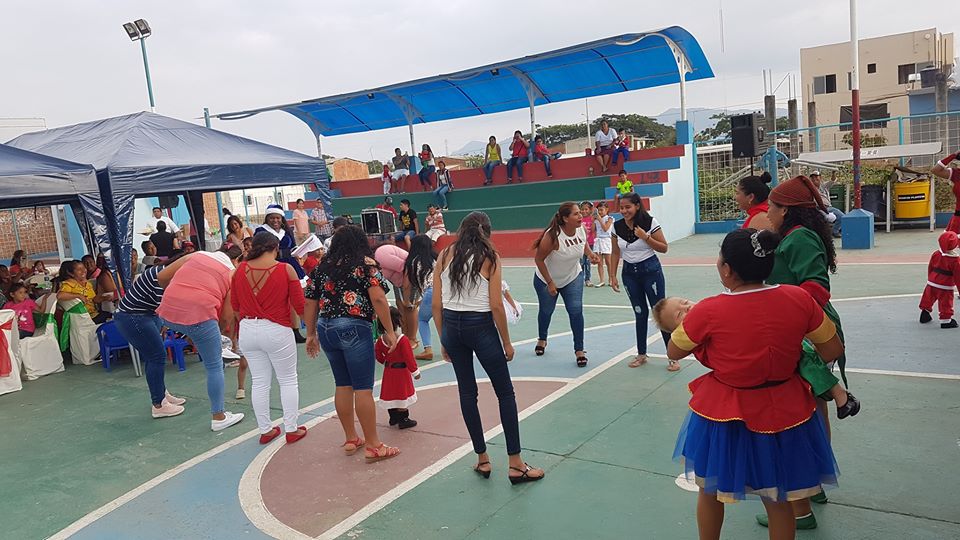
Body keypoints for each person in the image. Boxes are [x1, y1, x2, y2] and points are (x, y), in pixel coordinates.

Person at [666, 228, 842, 540]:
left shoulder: (708, 309)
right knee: (777, 497)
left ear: (727, 270)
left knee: (709, 490)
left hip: (726, 414)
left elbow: (674, 350)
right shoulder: (798, 298)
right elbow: (831, 349)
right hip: (785, 410)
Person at [762, 174, 851, 526]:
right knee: (814, 408)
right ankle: (814, 484)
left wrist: (786, 320)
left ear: (786, 210)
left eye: (772, 207)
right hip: (804, 325)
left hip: (806, 330)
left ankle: (802, 504)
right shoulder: (794, 236)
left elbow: (816, 288)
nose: (768, 212)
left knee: (800, 413)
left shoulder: (799, 238)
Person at [432, 211, 545, 483]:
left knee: (467, 392)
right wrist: (506, 341)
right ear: (488, 232)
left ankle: (482, 458)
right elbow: (496, 305)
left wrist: (444, 338)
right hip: (480, 326)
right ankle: (515, 463)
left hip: (452, 325)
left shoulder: (445, 255)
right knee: (505, 392)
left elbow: (436, 303)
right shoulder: (489, 256)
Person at [305, 225, 401, 462]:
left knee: (343, 383)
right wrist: (389, 331)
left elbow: (310, 301)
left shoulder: (323, 266)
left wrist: (310, 334)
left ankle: (351, 438)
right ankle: (373, 445)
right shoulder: (365, 264)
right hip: (354, 326)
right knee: (363, 387)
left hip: (326, 327)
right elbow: (378, 298)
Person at [158, 245, 246, 431]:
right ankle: (219, 416)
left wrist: (177, 296)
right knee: (215, 366)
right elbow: (226, 317)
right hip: (200, 314)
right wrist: (216, 336)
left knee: (195, 332)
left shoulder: (196, 255)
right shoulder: (233, 274)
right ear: (236, 260)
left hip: (167, 312)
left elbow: (162, 277)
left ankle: (194, 337)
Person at [231, 232, 308, 445]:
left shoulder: (240, 270)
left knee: (259, 381)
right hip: (277, 329)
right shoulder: (285, 269)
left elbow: (235, 306)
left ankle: (265, 429)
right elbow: (300, 306)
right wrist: (312, 331)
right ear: (275, 248)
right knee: (288, 379)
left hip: (248, 328)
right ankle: (291, 428)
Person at [115, 253, 194, 419]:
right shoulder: (159, 277)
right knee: (157, 356)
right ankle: (158, 405)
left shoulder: (165, 273)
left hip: (146, 314)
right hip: (133, 317)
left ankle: (162, 394)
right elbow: (168, 308)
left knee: (154, 357)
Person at [608, 193, 671, 370]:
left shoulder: (649, 222)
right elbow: (615, 252)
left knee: (660, 312)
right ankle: (641, 354)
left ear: (637, 206)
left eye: (628, 207)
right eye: (621, 208)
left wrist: (646, 237)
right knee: (639, 312)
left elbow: (664, 248)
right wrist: (612, 275)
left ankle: (673, 355)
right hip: (629, 274)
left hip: (651, 272)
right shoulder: (616, 226)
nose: (624, 211)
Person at [533, 202, 600, 367]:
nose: (580, 216)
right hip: (546, 279)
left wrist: (590, 254)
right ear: (565, 218)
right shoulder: (552, 236)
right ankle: (542, 338)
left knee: (576, 311)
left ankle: (579, 350)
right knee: (546, 311)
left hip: (572, 277)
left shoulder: (581, 229)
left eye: (580, 213)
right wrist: (550, 283)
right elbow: (539, 260)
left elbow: (583, 243)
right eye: (576, 214)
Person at [256, 205, 307, 343]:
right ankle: (276, 329)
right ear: (267, 218)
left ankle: (295, 330)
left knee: (293, 298)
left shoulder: (287, 231)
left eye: (278, 218)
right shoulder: (261, 231)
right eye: (272, 218)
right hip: (271, 266)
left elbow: (293, 247)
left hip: (290, 266)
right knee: (274, 298)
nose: (275, 220)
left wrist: (299, 252)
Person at [375, 306, 421, 429]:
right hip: (401, 373)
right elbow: (409, 358)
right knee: (402, 395)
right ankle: (403, 419)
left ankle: (393, 417)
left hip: (389, 372)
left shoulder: (380, 340)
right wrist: (415, 372)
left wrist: (386, 362)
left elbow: (378, 356)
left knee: (391, 394)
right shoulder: (402, 340)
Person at [403, 235, 436, 361]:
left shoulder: (413, 262)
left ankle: (428, 349)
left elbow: (407, 285)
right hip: (444, 292)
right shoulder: (436, 258)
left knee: (422, 320)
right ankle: (450, 348)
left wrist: (407, 302)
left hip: (430, 292)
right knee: (444, 320)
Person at [919, 230, 960, 328]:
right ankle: (946, 320)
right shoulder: (955, 261)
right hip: (945, 285)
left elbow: (930, 267)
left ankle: (925, 313)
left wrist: (930, 278)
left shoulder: (936, 254)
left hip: (932, 282)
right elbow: (958, 277)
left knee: (928, 298)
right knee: (945, 302)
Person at [57, 260, 112, 324]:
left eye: (84, 268)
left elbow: (93, 299)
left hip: (94, 314)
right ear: (71, 273)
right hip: (83, 318)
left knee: (113, 315)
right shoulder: (68, 284)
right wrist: (79, 295)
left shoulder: (88, 284)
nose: (83, 271)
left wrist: (105, 298)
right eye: (79, 269)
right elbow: (60, 295)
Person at [931, 150, 960, 234]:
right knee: (951, 240)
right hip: (958, 218)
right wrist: (953, 155)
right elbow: (935, 170)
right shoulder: (956, 173)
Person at [810, 171, 843, 238]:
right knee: (824, 218)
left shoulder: (824, 186)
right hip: (818, 208)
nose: (814, 179)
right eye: (812, 178)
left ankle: (835, 231)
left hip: (828, 207)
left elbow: (832, 180)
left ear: (820, 178)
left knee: (842, 216)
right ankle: (825, 234)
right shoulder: (810, 188)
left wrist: (833, 173)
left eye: (816, 177)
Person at [593, 202, 614, 287]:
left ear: (607, 209)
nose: (600, 212)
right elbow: (593, 230)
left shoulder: (610, 218)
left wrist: (599, 219)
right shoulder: (596, 219)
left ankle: (611, 279)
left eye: (601, 210)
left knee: (609, 262)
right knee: (599, 262)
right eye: (598, 210)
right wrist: (593, 219)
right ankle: (601, 280)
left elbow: (605, 228)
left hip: (606, 240)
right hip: (598, 241)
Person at [580, 201, 596, 287]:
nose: (584, 211)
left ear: (590, 210)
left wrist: (593, 221)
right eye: (582, 209)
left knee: (588, 262)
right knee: (581, 262)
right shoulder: (579, 219)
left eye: (586, 209)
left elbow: (593, 230)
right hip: (581, 244)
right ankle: (580, 279)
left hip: (590, 243)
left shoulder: (592, 219)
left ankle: (587, 279)